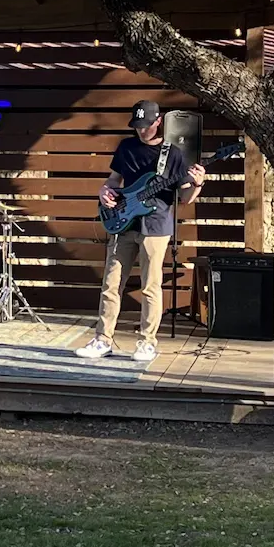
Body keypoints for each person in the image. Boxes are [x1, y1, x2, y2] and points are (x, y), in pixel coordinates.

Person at [75, 101, 203, 363]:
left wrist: (198, 185)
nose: (142, 131)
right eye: (137, 126)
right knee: (111, 284)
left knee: (150, 286)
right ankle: (103, 339)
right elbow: (113, 180)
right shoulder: (126, 147)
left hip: (155, 226)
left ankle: (147, 342)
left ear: (158, 122)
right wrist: (104, 192)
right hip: (123, 222)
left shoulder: (173, 154)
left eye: (146, 126)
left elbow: (185, 198)